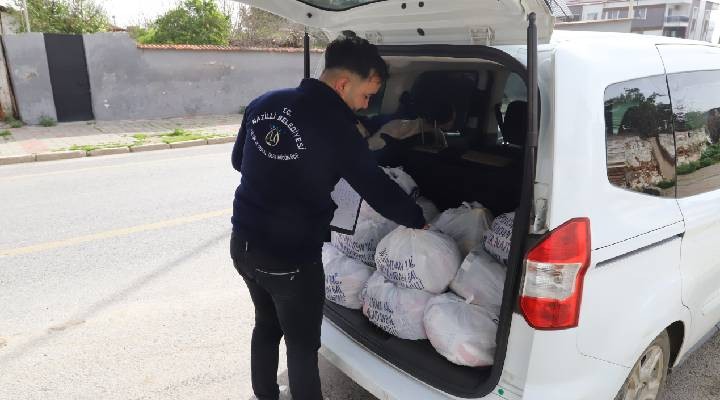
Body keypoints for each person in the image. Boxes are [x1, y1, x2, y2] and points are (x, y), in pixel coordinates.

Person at [229, 35, 426, 400]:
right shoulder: (338, 130)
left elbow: (239, 161)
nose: (366, 105)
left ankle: (266, 394)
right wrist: (417, 219)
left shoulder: (265, 101)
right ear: (343, 84)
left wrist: (279, 171)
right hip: (290, 258)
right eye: (366, 95)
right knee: (302, 346)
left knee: (266, 324)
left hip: (242, 244)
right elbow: (377, 188)